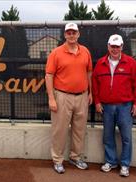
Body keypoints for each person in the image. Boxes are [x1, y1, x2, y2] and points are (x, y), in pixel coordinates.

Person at [92, 34, 136, 177]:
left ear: (122, 47)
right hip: (106, 107)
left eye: (117, 46)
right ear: (108, 46)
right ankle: (111, 161)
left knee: (126, 137)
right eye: (112, 46)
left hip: (125, 107)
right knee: (108, 136)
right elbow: (94, 84)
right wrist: (97, 101)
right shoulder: (101, 63)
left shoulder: (131, 63)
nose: (115, 49)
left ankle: (125, 165)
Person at [45, 22, 93, 174]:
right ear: (65, 35)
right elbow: (49, 75)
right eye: (69, 32)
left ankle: (75, 157)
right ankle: (57, 160)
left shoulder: (85, 51)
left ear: (78, 34)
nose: (71, 35)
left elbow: (89, 73)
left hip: (82, 96)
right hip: (62, 96)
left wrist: (90, 92)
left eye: (74, 32)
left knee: (79, 129)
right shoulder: (56, 53)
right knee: (60, 130)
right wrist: (51, 98)